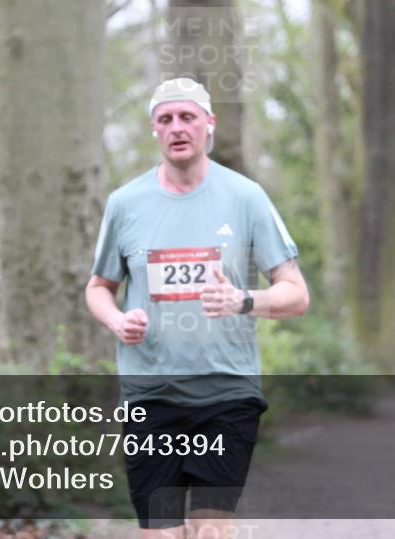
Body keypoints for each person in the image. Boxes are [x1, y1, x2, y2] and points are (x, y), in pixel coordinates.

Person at [85, 77, 309, 539]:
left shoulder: (245, 197)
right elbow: (98, 287)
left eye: (187, 117)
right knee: (161, 532)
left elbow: (296, 293)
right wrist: (117, 319)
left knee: (210, 529)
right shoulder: (125, 204)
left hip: (226, 394)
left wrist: (245, 300)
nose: (177, 127)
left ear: (209, 125)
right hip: (151, 395)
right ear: (154, 130)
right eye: (165, 120)